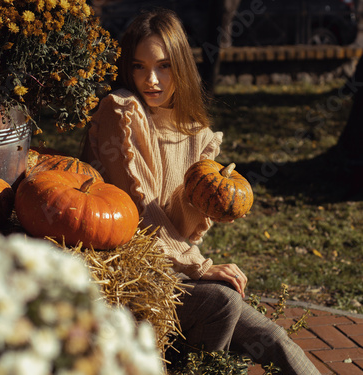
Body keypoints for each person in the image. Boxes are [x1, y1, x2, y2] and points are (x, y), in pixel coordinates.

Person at [82, 8, 321, 375]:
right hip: (135, 272)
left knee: (274, 338)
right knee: (222, 303)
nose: (152, 80)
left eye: (163, 66)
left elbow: (183, 220)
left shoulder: (197, 134)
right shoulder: (123, 113)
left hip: (177, 272)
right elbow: (141, 212)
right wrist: (201, 267)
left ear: (181, 66)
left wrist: (210, 196)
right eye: (139, 67)